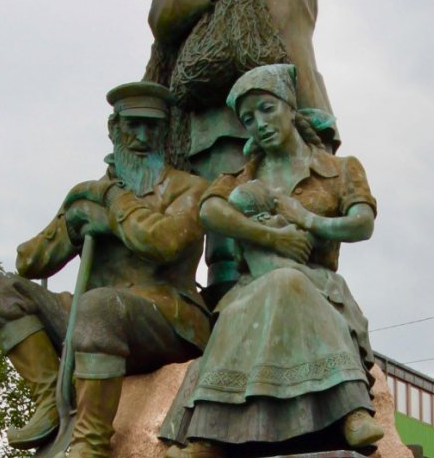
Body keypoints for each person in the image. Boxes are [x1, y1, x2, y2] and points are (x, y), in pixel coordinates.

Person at [144, 0, 379, 304]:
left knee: (307, 230)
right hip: (220, 109)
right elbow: (160, 14)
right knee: (226, 244)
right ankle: (227, 331)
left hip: (296, 109)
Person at [0, 82, 211, 458]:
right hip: (91, 319)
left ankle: (89, 442)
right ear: (114, 129)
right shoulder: (88, 195)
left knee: (98, 306)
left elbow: (162, 242)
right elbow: (30, 262)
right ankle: (49, 398)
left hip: (167, 317)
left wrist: (113, 207)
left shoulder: (191, 190)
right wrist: (72, 223)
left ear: (165, 132)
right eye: (132, 125)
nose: (142, 136)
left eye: (152, 126)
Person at [158, 64, 384, 458]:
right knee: (266, 291)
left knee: (290, 283)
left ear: (290, 109)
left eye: (266, 109)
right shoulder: (246, 175)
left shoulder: (341, 168)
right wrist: (273, 236)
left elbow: (363, 223)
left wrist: (307, 219)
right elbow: (211, 210)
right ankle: (212, 432)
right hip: (255, 287)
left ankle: (352, 412)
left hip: (318, 284)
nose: (258, 123)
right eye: (248, 119)